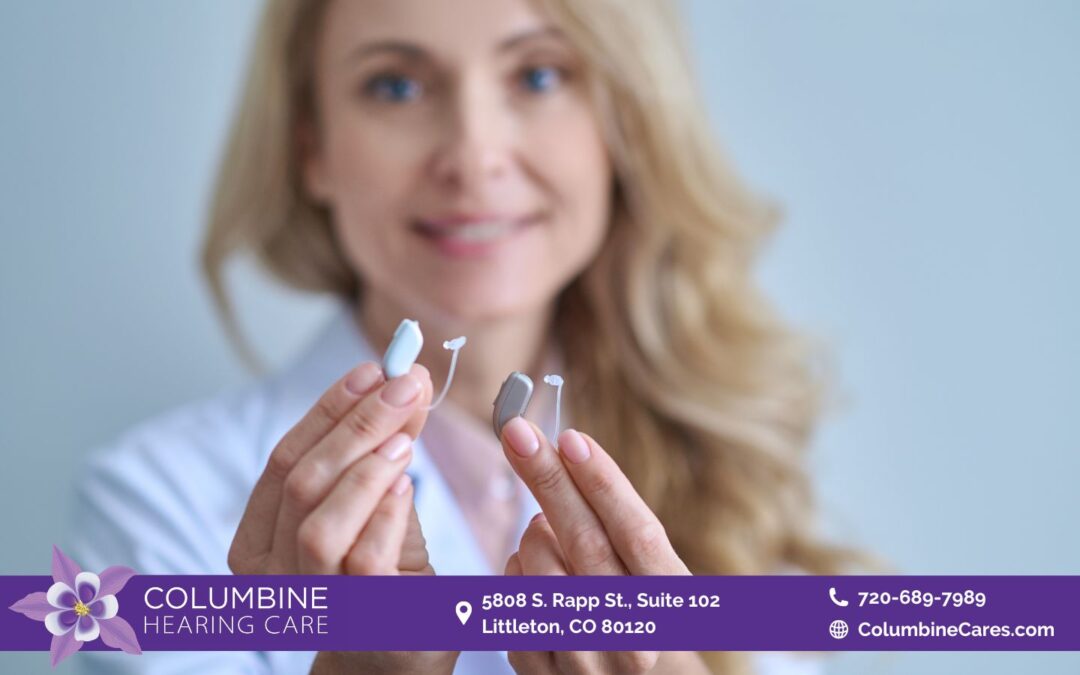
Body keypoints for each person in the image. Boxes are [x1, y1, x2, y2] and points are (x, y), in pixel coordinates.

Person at [69, 0, 857, 672]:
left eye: (538, 76)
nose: (474, 158)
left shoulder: (728, 461)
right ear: (312, 148)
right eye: (397, 86)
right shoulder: (153, 505)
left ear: (624, 125)